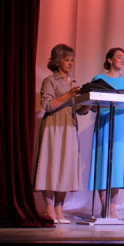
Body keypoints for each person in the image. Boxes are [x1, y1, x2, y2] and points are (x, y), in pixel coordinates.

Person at [35, 43, 85, 223]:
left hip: (70, 126)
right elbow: (47, 105)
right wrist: (69, 94)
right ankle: (49, 209)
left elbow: (79, 109)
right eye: (66, 60)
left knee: (65, 165)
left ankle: (59, 209)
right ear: (57, 61)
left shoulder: (73, 83)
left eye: (72, 60)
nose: (71, 63)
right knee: (51, 164)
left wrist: (87, 103)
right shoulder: (50, 80)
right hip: (54, 125)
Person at [89, 47, 124, 219]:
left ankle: (112, 207)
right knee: (104, 164)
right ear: (109, 60)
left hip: (122, 125)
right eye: (119, 57)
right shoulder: (99, 79)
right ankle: (104, 207)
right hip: (106, 123)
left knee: (117, 166)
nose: (123, 60)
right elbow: (93, 106)